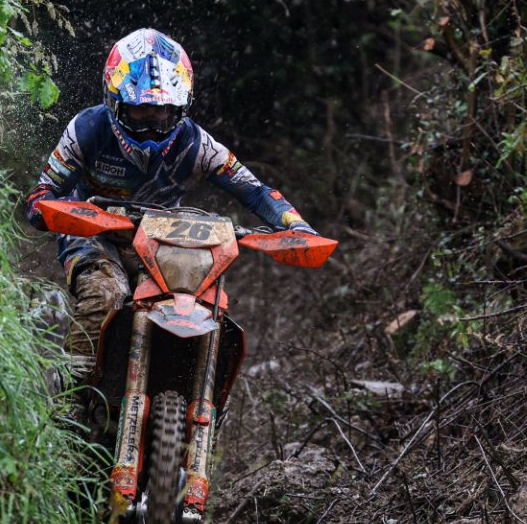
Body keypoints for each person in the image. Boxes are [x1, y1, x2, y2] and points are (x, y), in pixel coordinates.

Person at [25, 28, 317, 383]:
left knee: (198, 303)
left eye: (162, 111)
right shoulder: (87, 129)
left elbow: (254, 190)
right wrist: (44, 208)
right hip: (92, 231)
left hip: (161, 238)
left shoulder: (198, 143)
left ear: (180, 106)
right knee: (105, 293)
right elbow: (44, 191)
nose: (151, 123)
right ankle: (73, 392)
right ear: (115, 101)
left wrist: (295, 224)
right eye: (141, 109)